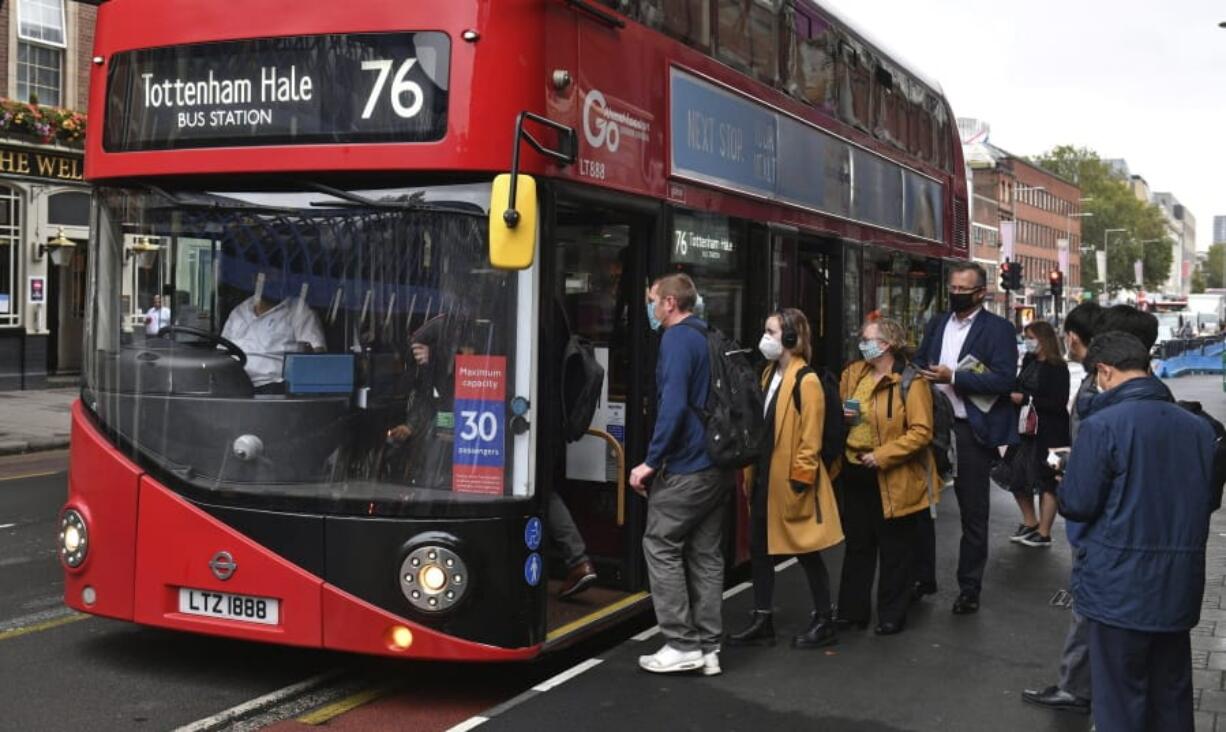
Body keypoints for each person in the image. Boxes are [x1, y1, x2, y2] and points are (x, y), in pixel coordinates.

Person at [1058, 331, 1218, 732]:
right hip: (1178, 586)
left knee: (1120, 700)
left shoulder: (1103, 426)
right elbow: (1206, 499)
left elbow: (1078, 503)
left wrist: (1065, 471)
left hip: (1119, 587)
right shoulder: (1200, 428)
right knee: (1172, 697)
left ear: (1104, 372)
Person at [1021, 303, 1154, 716]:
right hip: (1128, 530)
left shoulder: (1102, 397)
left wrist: (1070, 476)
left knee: (1089, 604)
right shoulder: (1157, 402)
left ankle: (1078, 687)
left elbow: (1089, 483)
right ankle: (1081, 684)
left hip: (1100, 522)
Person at [726, 309, 843, 649]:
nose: (765, 338)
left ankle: (825, 619)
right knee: (760, 550)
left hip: (791, 482)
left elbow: (810, 437)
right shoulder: (767, 375)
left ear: (791, 339)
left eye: (772, 332)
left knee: (806, 550)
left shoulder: (806, 380)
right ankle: (762, 618)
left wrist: (800, 481)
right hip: (764, 478)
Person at [630, 273, 729, 676]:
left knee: (659, 544)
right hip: (716, 464)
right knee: (706, 556)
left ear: (670, 303)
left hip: (687, 466)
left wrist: (649, 463)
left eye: (653, 300)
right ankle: (709, 648)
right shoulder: (707, 334)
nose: (650, 308)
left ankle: (680, 642)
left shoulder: (674, 340)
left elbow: (671, 407)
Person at [912, 262, 1019, 615]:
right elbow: (918, 361)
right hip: (931, 425)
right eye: (952, 287)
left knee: (973, 513)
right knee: (918, 505)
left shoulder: (999, 330)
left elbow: (1004, 380)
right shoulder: (938, 323)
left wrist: (954, 376)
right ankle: (921, 577)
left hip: (970, 429)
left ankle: (969, 587)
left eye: (963, 289)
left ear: (980, 293)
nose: (955, 293)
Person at [834, 317, 940, 635]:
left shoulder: (910, 382)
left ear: (886, 344)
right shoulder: (855, 374)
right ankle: (852, 613)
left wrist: (881, 456)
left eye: (867, 339)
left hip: (893, 476)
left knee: (895, 548)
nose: (861, 344)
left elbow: (921, 432)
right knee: (858, 546)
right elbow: (847, 412)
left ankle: (892, 614)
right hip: (855, 471)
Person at [1005, 321, 1070, 548]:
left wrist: (1027, 400)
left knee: (1048, 479)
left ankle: (1044, 531)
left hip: (1050, 432)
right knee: (1014, 474)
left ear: (1044, 340)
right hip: (1025, 430)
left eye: (1031, 337)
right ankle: (1030, 522)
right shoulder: (1029, 361)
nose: (1028, 342)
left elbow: (1058, 403)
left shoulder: (1057, 368)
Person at [220, 271, 326, 393]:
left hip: (274, 387)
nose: (268, 280)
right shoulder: (239, 311)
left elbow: (317, 353)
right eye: (263, 275)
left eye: (274, 275)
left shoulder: (298, 310)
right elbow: (221, 352)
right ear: (254, 279)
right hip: (233, 384)